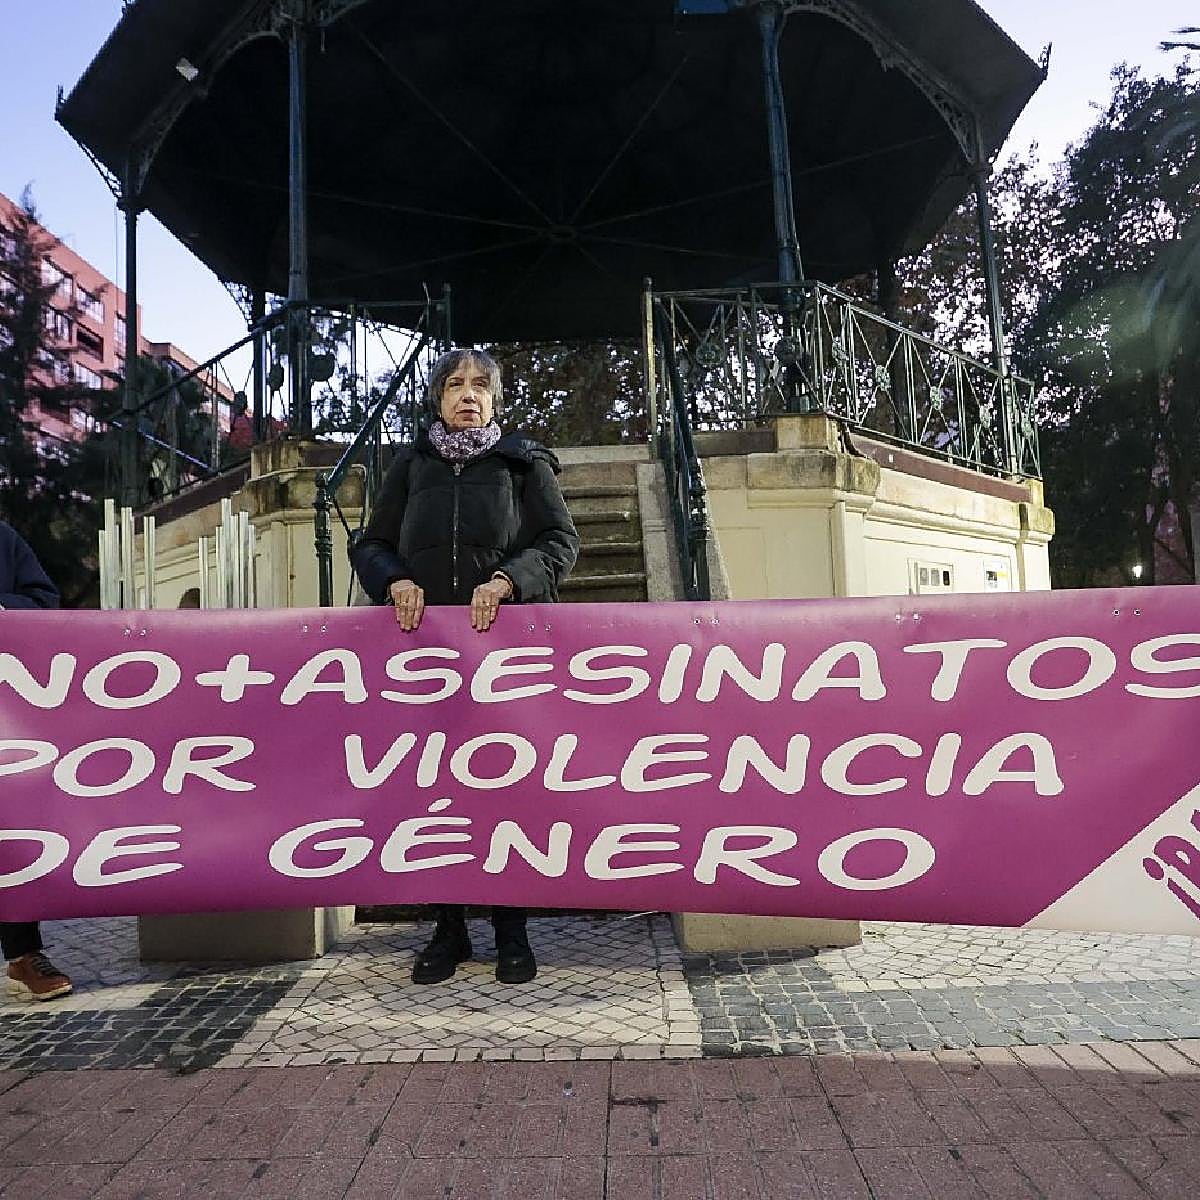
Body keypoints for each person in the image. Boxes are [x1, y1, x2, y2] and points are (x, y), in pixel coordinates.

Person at [351, 348, 580, 985]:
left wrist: (510, 580)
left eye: (480, 385)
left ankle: (511, 928)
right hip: (424, 660)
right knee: (437, 792)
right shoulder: (411, 464)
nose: (468, 394)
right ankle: (448, 930)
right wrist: (393, 580)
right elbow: (370, 542)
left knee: (504, 787)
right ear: (438, 398)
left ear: (497, 399)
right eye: (455, 385)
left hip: (505, 657)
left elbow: (561, 540)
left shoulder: (522, 462)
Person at [0, 521, 74, 1001]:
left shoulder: (3, 538)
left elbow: (43, 598)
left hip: (7, 710)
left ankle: (24, 953)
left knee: (10, 829)